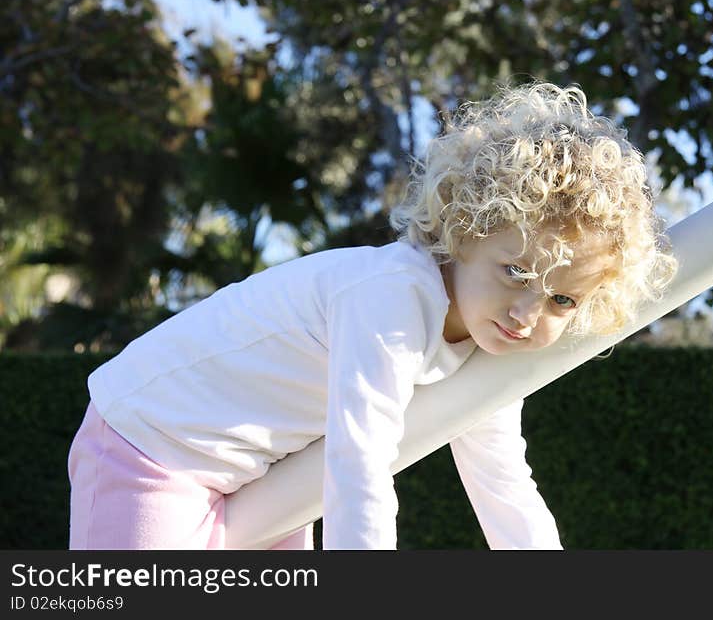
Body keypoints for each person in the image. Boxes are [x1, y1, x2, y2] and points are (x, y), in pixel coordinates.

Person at [67, 80, 677, 550]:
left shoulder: (487, 341)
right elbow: (359, 460)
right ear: (463, 232)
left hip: (260, 481)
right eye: (515, 272)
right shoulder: (390, 295)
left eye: (561, 299)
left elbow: (503, 483)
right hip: (152, 445)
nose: (526, 311)